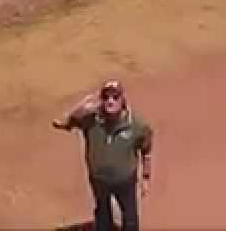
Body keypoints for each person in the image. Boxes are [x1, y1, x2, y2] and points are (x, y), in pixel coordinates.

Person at [53, 80, 153, 231]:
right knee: (103, 214)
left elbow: (146, 151)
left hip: (125, 181)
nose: (110, 101)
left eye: (115, 97)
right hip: (99, 180)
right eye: (105, 97)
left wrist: (145, 178)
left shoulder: (137, 126)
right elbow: (61, 123)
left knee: (130, 216)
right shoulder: (90, 121)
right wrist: (81, 106)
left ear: (122, 100)